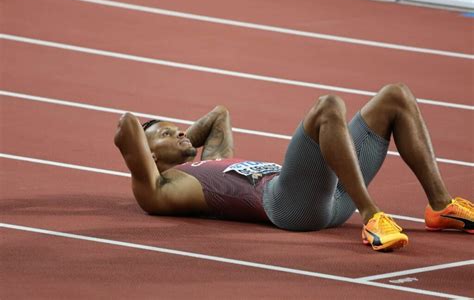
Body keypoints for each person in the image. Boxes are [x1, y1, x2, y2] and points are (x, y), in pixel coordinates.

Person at [114, 83, 473, 252]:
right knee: (327, 106)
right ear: (149, 158)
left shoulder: (209, 161)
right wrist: (157, 149)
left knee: (396, 96)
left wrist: (180, 143)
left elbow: (219, 115)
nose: (178, 129)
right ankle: (372, 215)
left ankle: (440, 206)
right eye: (165, 132)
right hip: (289, 206)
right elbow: (127, 125)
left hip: (328, 191)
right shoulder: (158, 190)